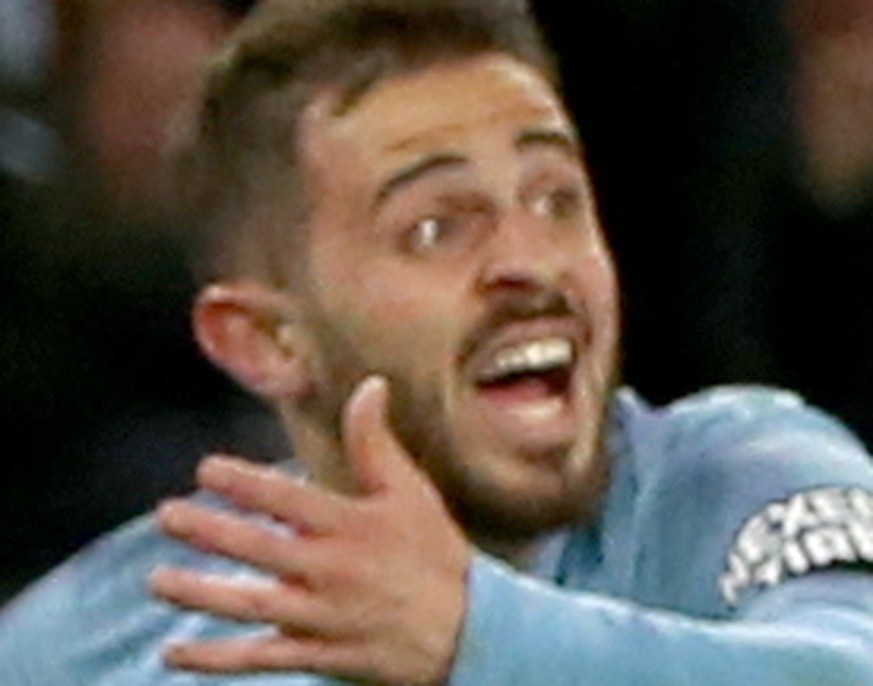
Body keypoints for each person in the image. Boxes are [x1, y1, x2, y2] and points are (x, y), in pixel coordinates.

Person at [2, 0, 873, 683]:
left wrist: (476, 638)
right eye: (434, 229)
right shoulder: (137, 625)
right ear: (266, 339)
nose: (529, 263)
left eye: (554, 199)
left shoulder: (731, 480)